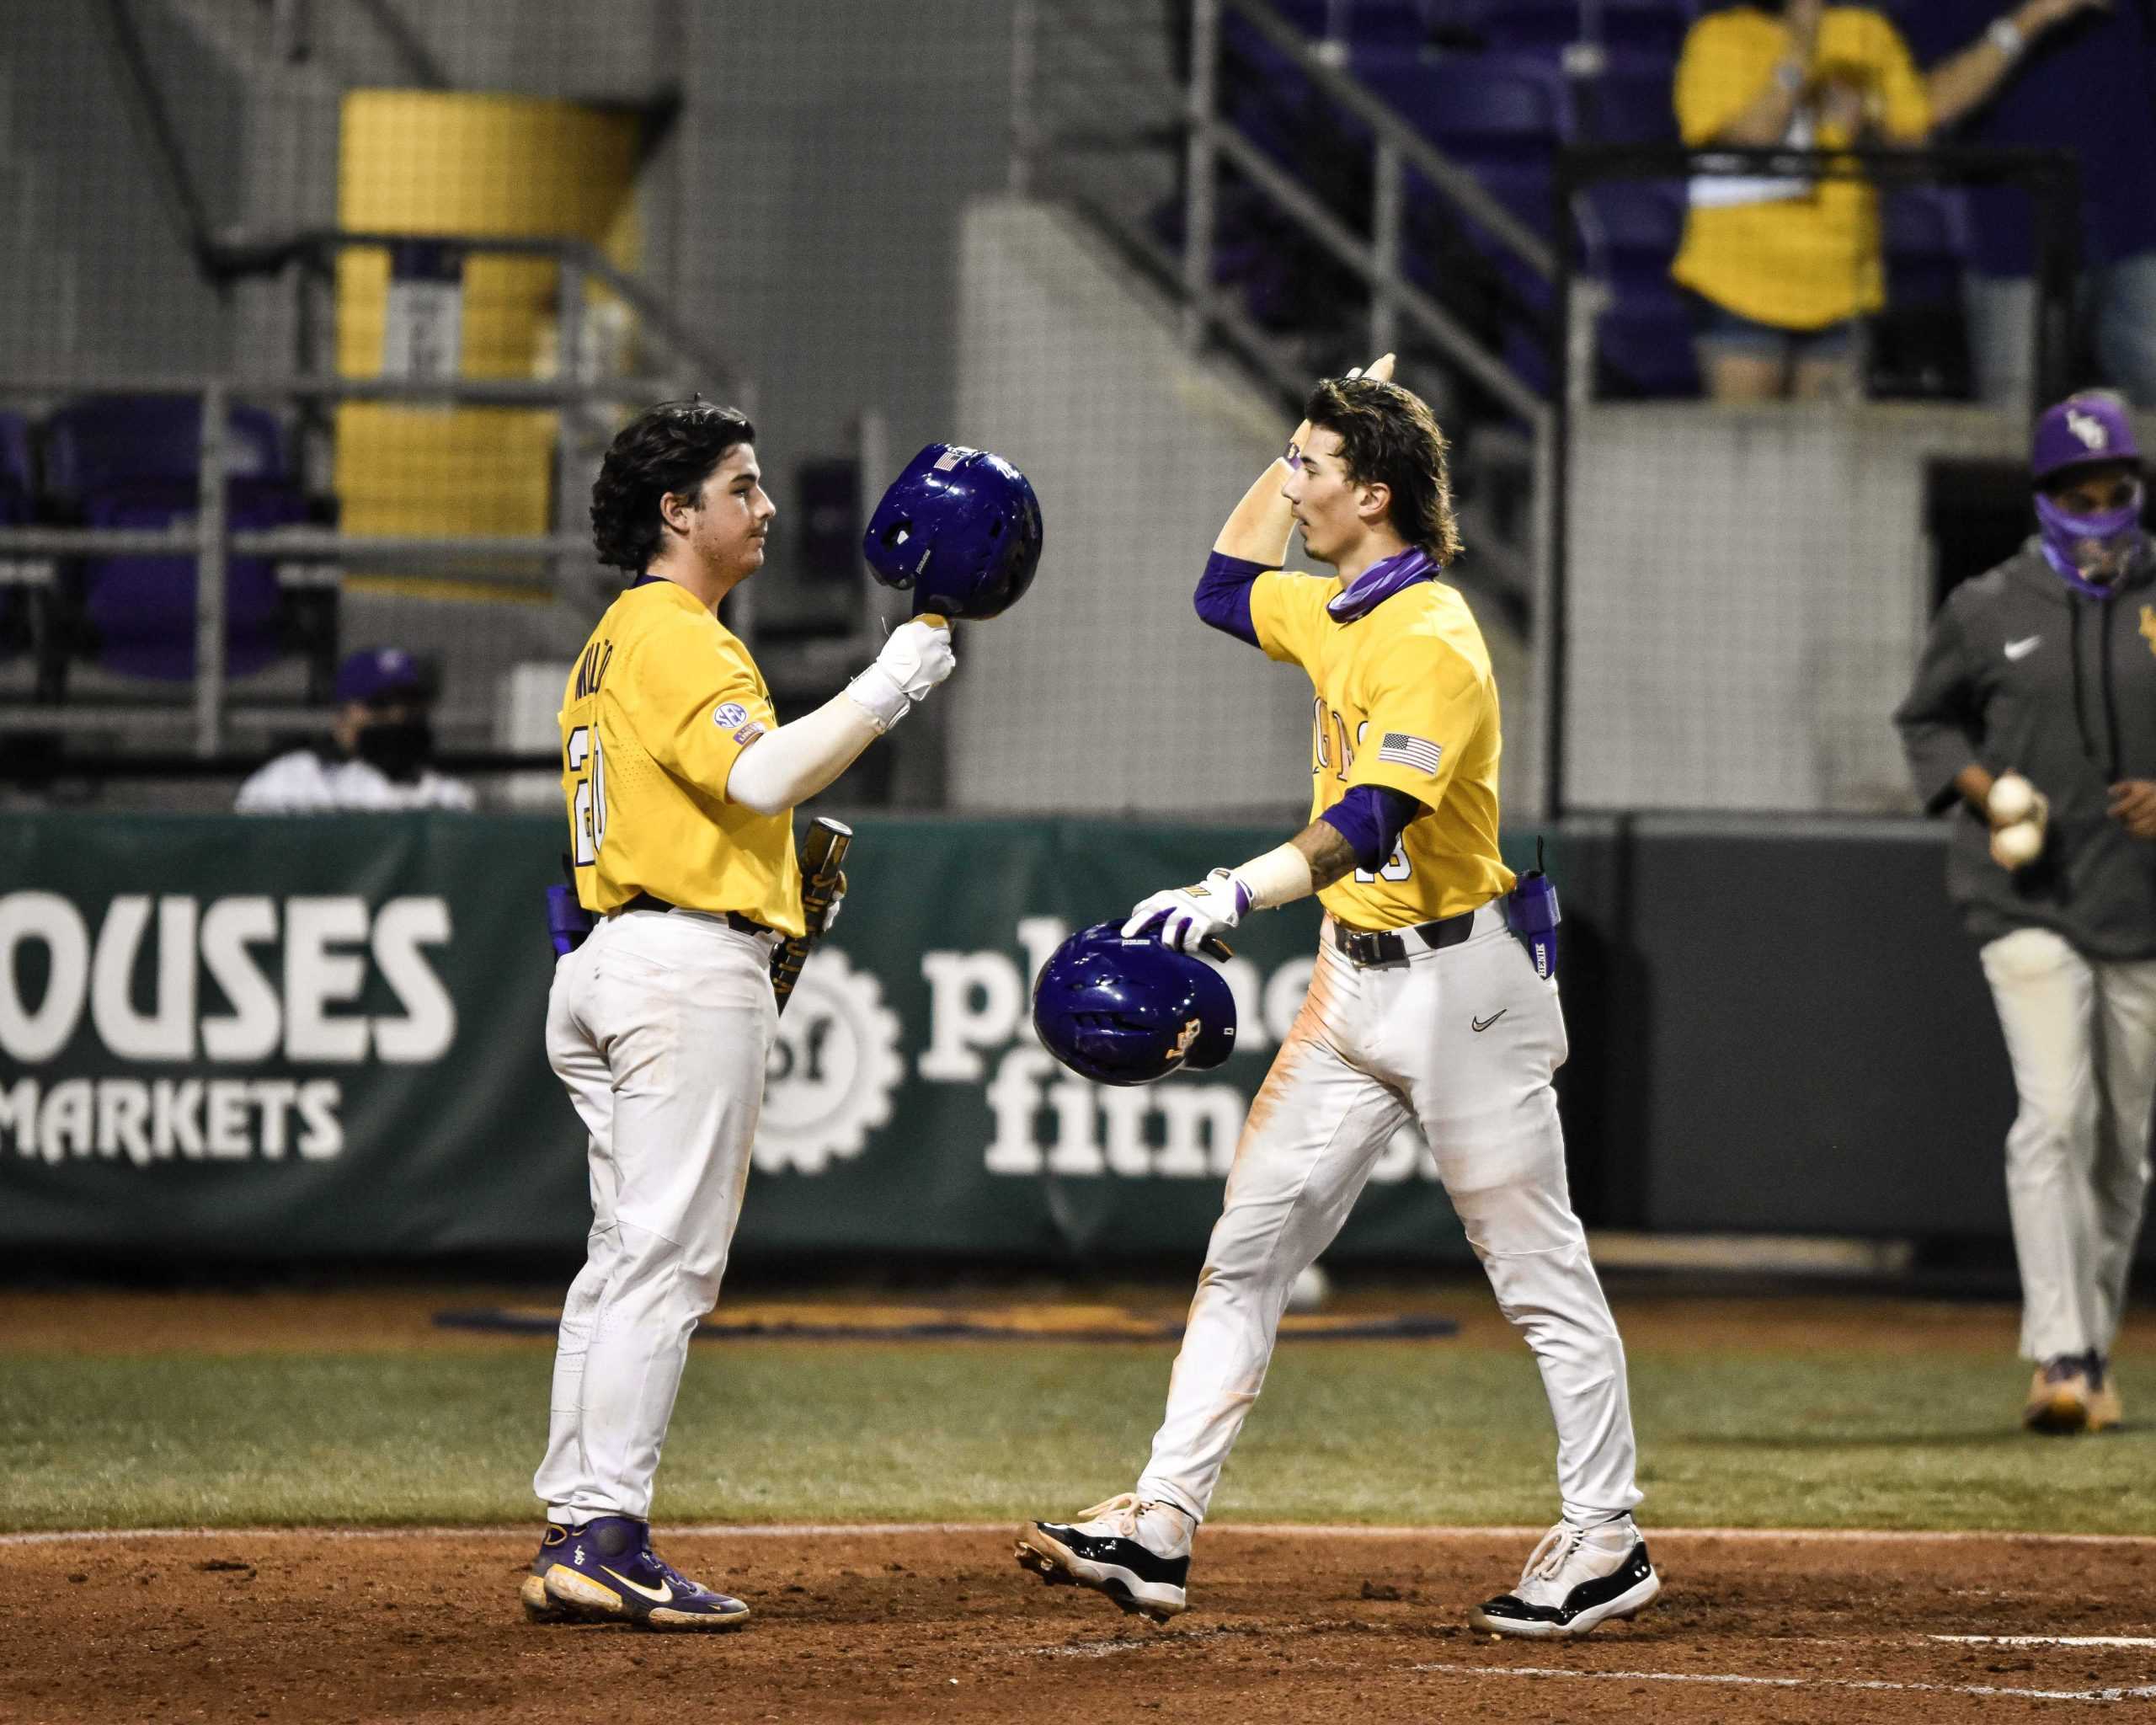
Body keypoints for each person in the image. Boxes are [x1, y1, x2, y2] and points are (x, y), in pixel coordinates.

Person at [1017, 358, 1658, 1638]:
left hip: (1463, 993)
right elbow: (1218, 586)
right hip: (1351, 994)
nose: (1292, 488)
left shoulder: (1438, 638)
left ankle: (1609, 1538)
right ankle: (1159, 1527)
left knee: (1538, 1276)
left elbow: (1370, 822)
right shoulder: (1342, 605)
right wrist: (1296, 445)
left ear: (1374, 495)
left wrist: (1236, 892)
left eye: (1313, 468)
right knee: (1243, 1257)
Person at [519, 400, 956, 1629]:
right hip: (675, 964)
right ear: (678, 511)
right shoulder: (678, 633)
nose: (766, 508)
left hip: (614, 951)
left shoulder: (619, 637)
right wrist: (892, 683)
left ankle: (575, 1521)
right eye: (742, 487)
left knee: (621, 1259)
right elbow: (761, 774)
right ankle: (605, 1533)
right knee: (666, 1261)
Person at [1892, 389, 2156, 1434]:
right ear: (2046, 497)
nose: (2102, 509)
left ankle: (2089, 1349)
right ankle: (2062, 1349)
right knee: (2054, 1113)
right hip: (2023, 898)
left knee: (2123, 1143)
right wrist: (1983, 787)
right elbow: (1926, 720)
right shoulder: (1987, 604)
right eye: (2080, 493)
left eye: (2117, 490)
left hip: (2141, 902)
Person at [1670, 0, 2107, 402]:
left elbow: (1912, 139)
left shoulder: (1866, 32)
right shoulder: (1719, 37)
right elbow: (1755, 137)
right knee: (1744, 454)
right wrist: (1802, 43)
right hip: (1741, 286)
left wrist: (1868, 127)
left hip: (1840, 290)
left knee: (1824, 462)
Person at [1897, 0, 2156, 409]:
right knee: (2014, 422)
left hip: (2136, 228)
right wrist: (2032, 18)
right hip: (2015, 244)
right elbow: (1932, 105)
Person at [234, 645, 475, 812]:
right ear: (342, 712)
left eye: (410, 704)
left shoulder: (446, 795)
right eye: (379, 704)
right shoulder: (289, 781)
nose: (398, 716)